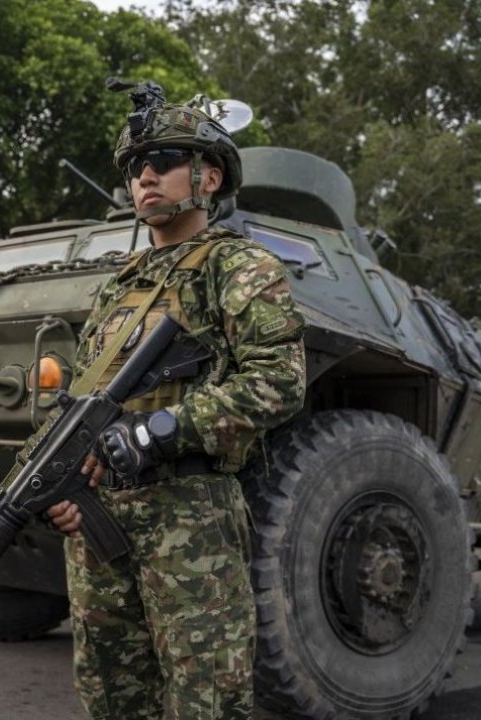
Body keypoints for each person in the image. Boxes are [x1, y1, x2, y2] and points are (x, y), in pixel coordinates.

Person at [45, 89, 307, 719]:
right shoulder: (121, 283)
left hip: (189, 518)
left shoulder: (237, 266)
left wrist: (158, 430)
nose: (145, 176)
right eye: (135, 166)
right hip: (99, 521)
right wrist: (60, 486)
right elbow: (78, 394)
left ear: (209, 178)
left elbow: (280, 380)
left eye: (163, 160)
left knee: (206, 697)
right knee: (111, 694)